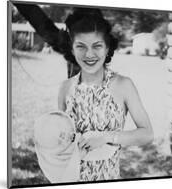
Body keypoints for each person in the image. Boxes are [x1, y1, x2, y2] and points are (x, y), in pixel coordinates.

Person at [58, 7, 154, 181]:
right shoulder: (65, 88)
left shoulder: (123, 85)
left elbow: (147, 134)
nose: (89, 54)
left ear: (107, 47)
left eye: (97, 46)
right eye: (81, 46)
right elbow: (62, 141)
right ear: (71, 49)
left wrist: (106, 137)